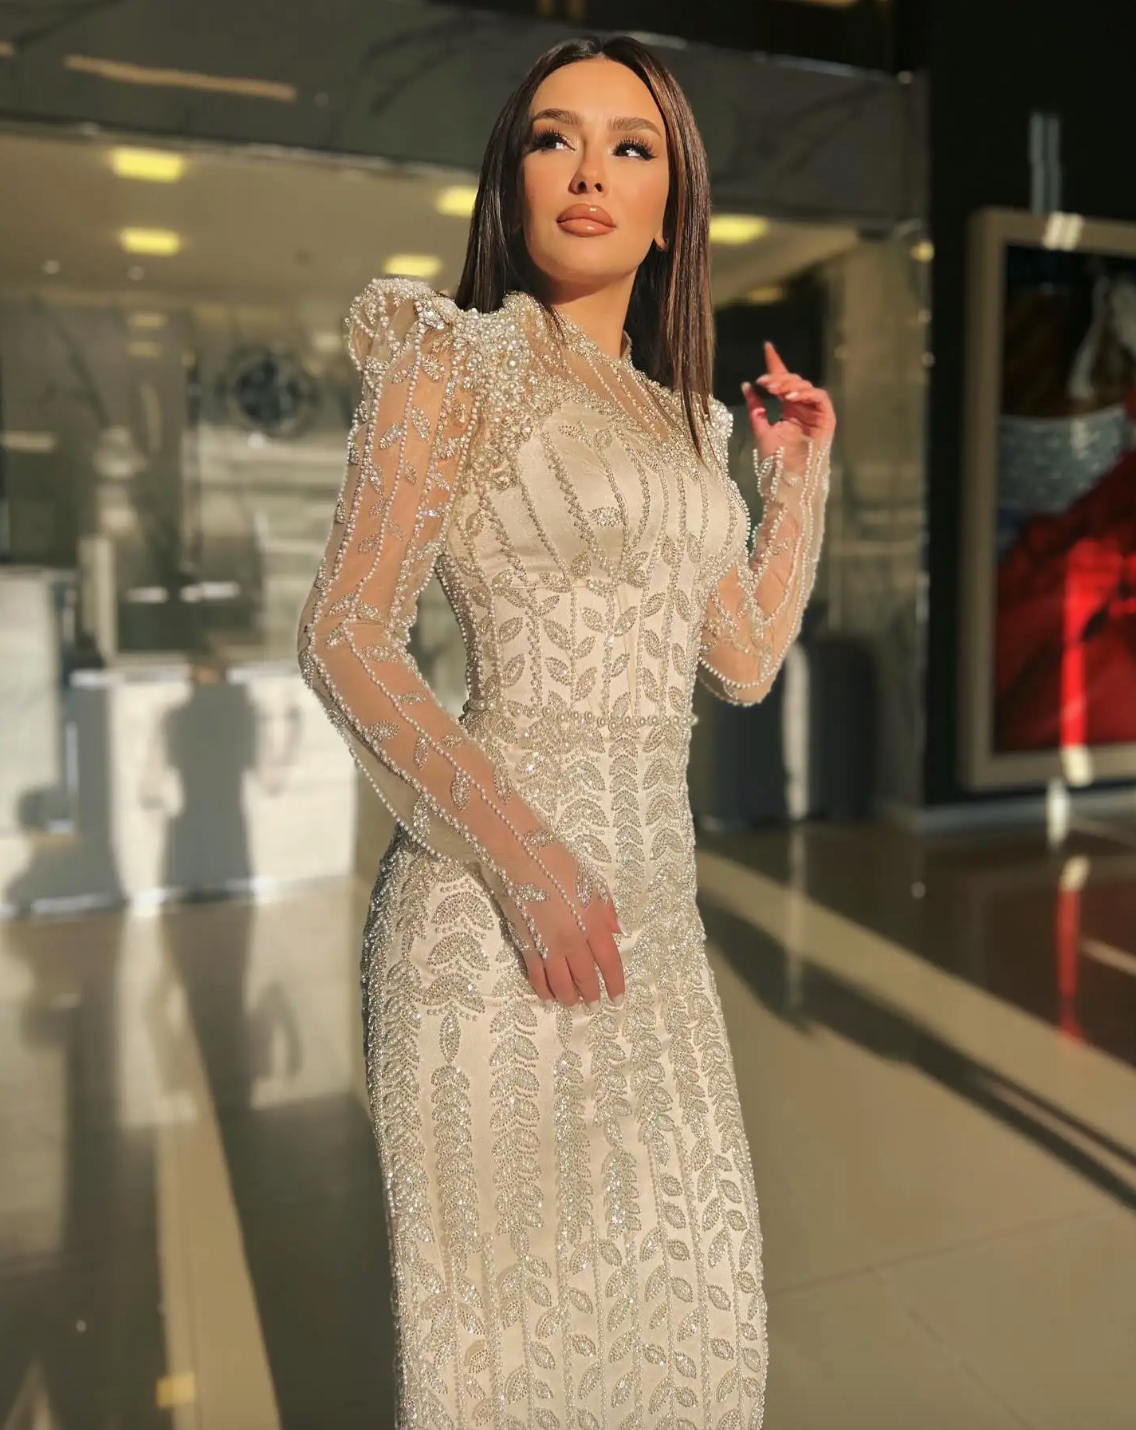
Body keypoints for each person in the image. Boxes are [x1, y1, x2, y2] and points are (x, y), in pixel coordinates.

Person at [297, 32, 833, 1428]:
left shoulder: (686, 424)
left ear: (671, 207)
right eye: (554, 138)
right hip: (490, 918)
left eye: (630, 146)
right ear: (511, 179)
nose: (590, 170)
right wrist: (528, 862)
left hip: (656, 919)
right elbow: (347, 634)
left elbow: (743, 659)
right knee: (516, 1363)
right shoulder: (453, 359)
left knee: (698, 1344)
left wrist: (801, 481)